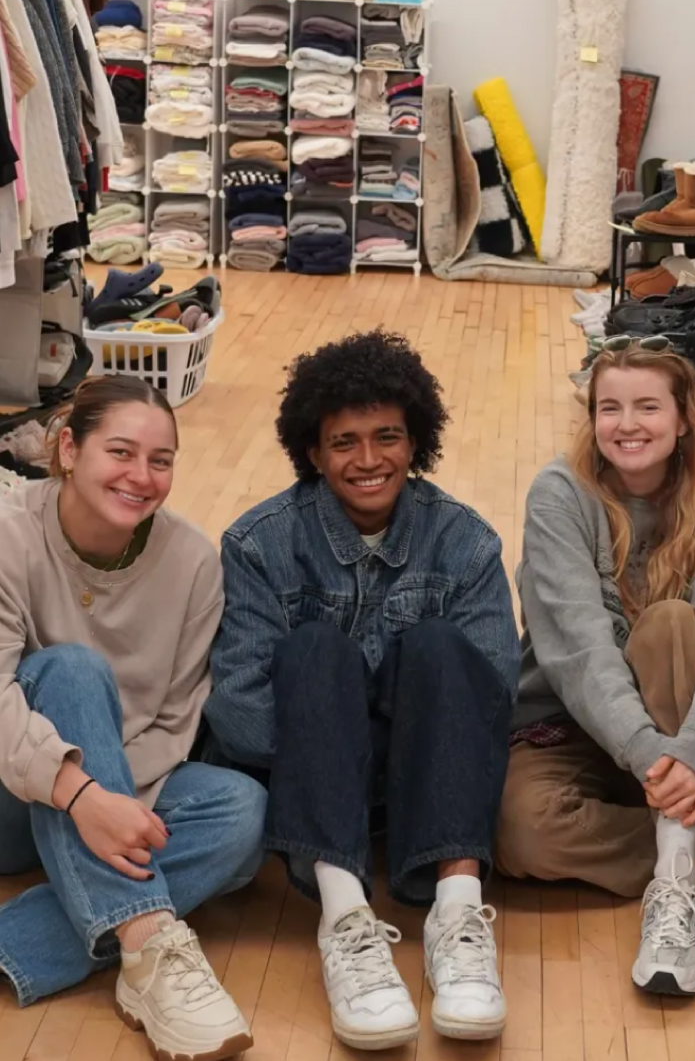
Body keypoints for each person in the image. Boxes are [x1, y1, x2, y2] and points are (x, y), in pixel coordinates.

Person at [203, 331, 519, 1052]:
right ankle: (344, 920)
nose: (368, 459)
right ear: (313, 453)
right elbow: (240, 710)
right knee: (316, 649)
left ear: (416, 442)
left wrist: (386, 751)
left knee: (442, 647)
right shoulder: (257, 543)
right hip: (320, 778)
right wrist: (336, 746)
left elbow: (492, 696)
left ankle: (458, 913)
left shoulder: (467, 542)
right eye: (344, 442)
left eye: (387, 437)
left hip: (421, 770)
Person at [0, 376, 264, 1061]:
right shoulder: (8, 533)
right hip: (12, 791)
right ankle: (148, 946)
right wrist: (82, 797)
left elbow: (176, 722)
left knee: (241, 812)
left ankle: (26, 932)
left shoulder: (194, 563)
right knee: (72, 671)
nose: (141, 476)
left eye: (160, 460)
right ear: (68, 449)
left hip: (119, 790)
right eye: (120, 452)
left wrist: (110, 806)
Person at [496, 338, 695, 997]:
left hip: (673, 724)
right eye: (609, 407)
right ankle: (691, 815)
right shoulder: (561, 494)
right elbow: (578, 649)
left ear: (683, 418)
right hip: (569, 721)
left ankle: (674, 879)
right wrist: (660, 761)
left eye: (647, 406)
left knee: (671, 622)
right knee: (520, 836)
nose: (627, 423)